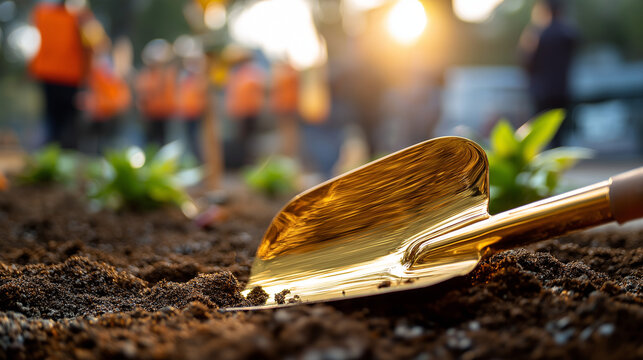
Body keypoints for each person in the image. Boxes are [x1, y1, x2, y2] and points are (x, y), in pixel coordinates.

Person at [29, 0, 91, 149]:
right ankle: (64, 154)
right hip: (70, 76)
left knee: (52, 119)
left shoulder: (42, 13)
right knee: (68, 121)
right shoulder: (79, 15)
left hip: (48, 74)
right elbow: (95, 42)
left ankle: (51, 153)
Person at [520, 0, 579, 146]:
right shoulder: (568, 34)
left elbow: (527, 63)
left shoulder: (538, 34)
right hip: (562, 90)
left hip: (541, 92)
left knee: (541, 134)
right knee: (559, 134)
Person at [135, 40, 177, 148]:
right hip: (150, 113)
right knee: (150, 140)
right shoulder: (146, 75)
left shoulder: (167, 74)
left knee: (162, 139)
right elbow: (142, 93)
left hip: (164, 112)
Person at [225, 56, 265, 165]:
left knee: (250, 138)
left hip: (250, 111)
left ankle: (249, 160)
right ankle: (243, 160)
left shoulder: (251, 73)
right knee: (242, 138)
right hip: (241, 111)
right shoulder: (237, 74)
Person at [177, 55, 208, 162]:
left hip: (196, 112)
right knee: (190, 139)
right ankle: (194, 160)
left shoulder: (199, 78)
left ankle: (199, 160)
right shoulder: (185, 77)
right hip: (187, 113)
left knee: (196, 139)